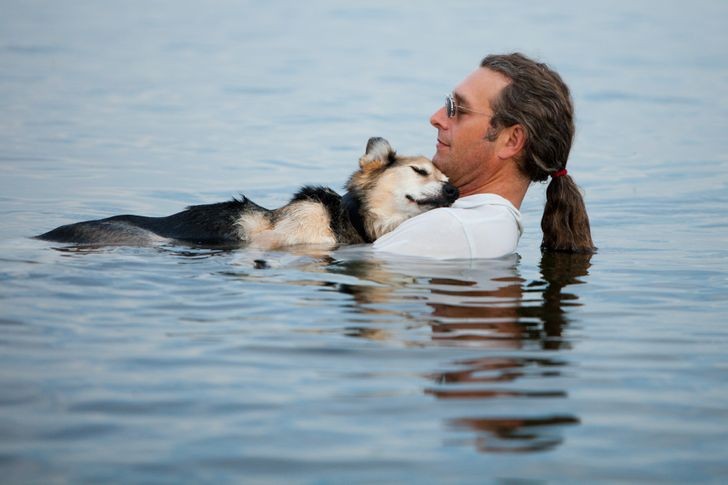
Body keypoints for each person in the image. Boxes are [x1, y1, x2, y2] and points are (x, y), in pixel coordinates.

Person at [373, 52, 595, 259]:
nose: (436, 118)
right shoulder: (487, 224)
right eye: (447, 104)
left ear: (511, 141)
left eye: (458, 109)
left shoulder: (453, 228)